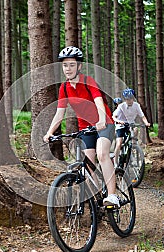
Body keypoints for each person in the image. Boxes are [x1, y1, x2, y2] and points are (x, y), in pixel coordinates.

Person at [43, 46, 119, 207]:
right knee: (88, 163)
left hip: (104, 123)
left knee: (102, 154)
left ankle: (112, 195)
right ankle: (99, 196)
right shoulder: (64, 88)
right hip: (85, 127)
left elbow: (98, 101)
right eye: (65, 65)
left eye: (72, 64)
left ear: (79, 66)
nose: (68, 68)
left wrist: (101, 120)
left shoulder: (88, 81)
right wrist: (49, 132)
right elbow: (59, 113)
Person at [112, 88, 150, 168]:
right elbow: (114, 117)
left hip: (130, 124)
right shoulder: (121, 106)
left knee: (135, 130)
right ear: (125, 99)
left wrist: (146, 123)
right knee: (119, 142)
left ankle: (133, 147)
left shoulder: (136, 105)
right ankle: (115, 162)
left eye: (131, 99)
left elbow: (142, 116)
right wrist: (118, 121)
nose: (129, 101)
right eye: (127, 99)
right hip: (121, 125)